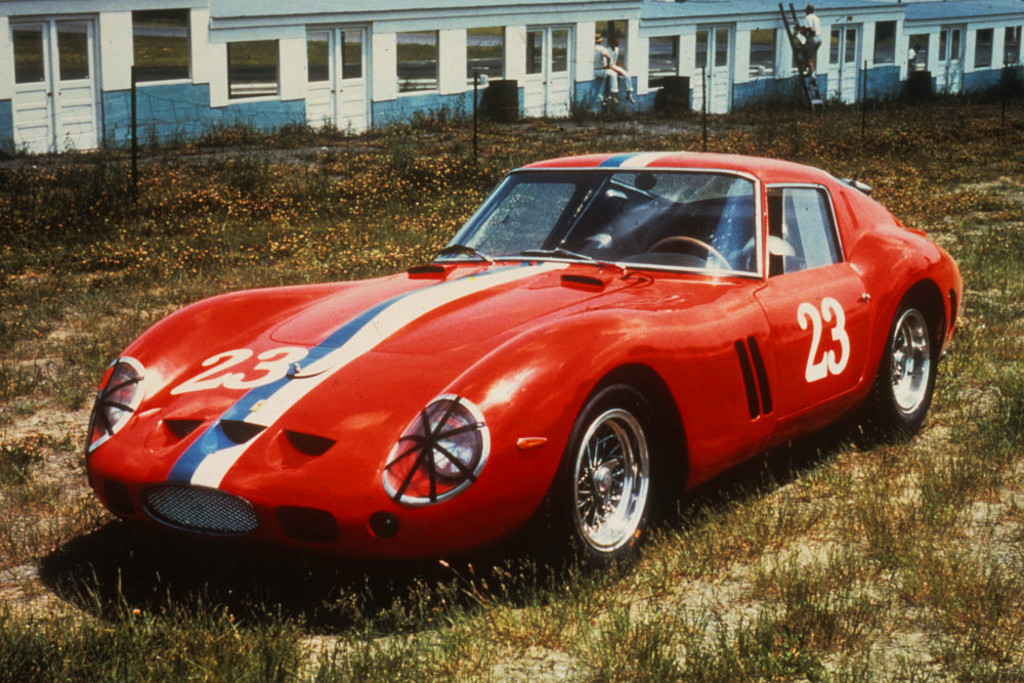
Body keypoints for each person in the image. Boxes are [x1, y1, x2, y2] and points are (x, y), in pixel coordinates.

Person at [610, 37, 637, 103]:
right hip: (608, 67)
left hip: (614, 66)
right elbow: (607, 64)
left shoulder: (616, 49)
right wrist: (618, 71)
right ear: (612, 42)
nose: (618, 43)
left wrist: (620, 69)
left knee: (627, 75)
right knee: (614, 75)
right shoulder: (608, 50)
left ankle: (629, 95)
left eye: (618, 42)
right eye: (617, 42)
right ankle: (613, 96)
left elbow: (615, 61)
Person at [802, 5, 822, 73]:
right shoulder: (816, 17)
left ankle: (811, 73)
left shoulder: (808, 17)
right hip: (819, 38)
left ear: (807, 11)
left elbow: (811, 29)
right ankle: (811, 70)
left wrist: (803, 31)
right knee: (812, 56)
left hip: (813, 39)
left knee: (808, 56)